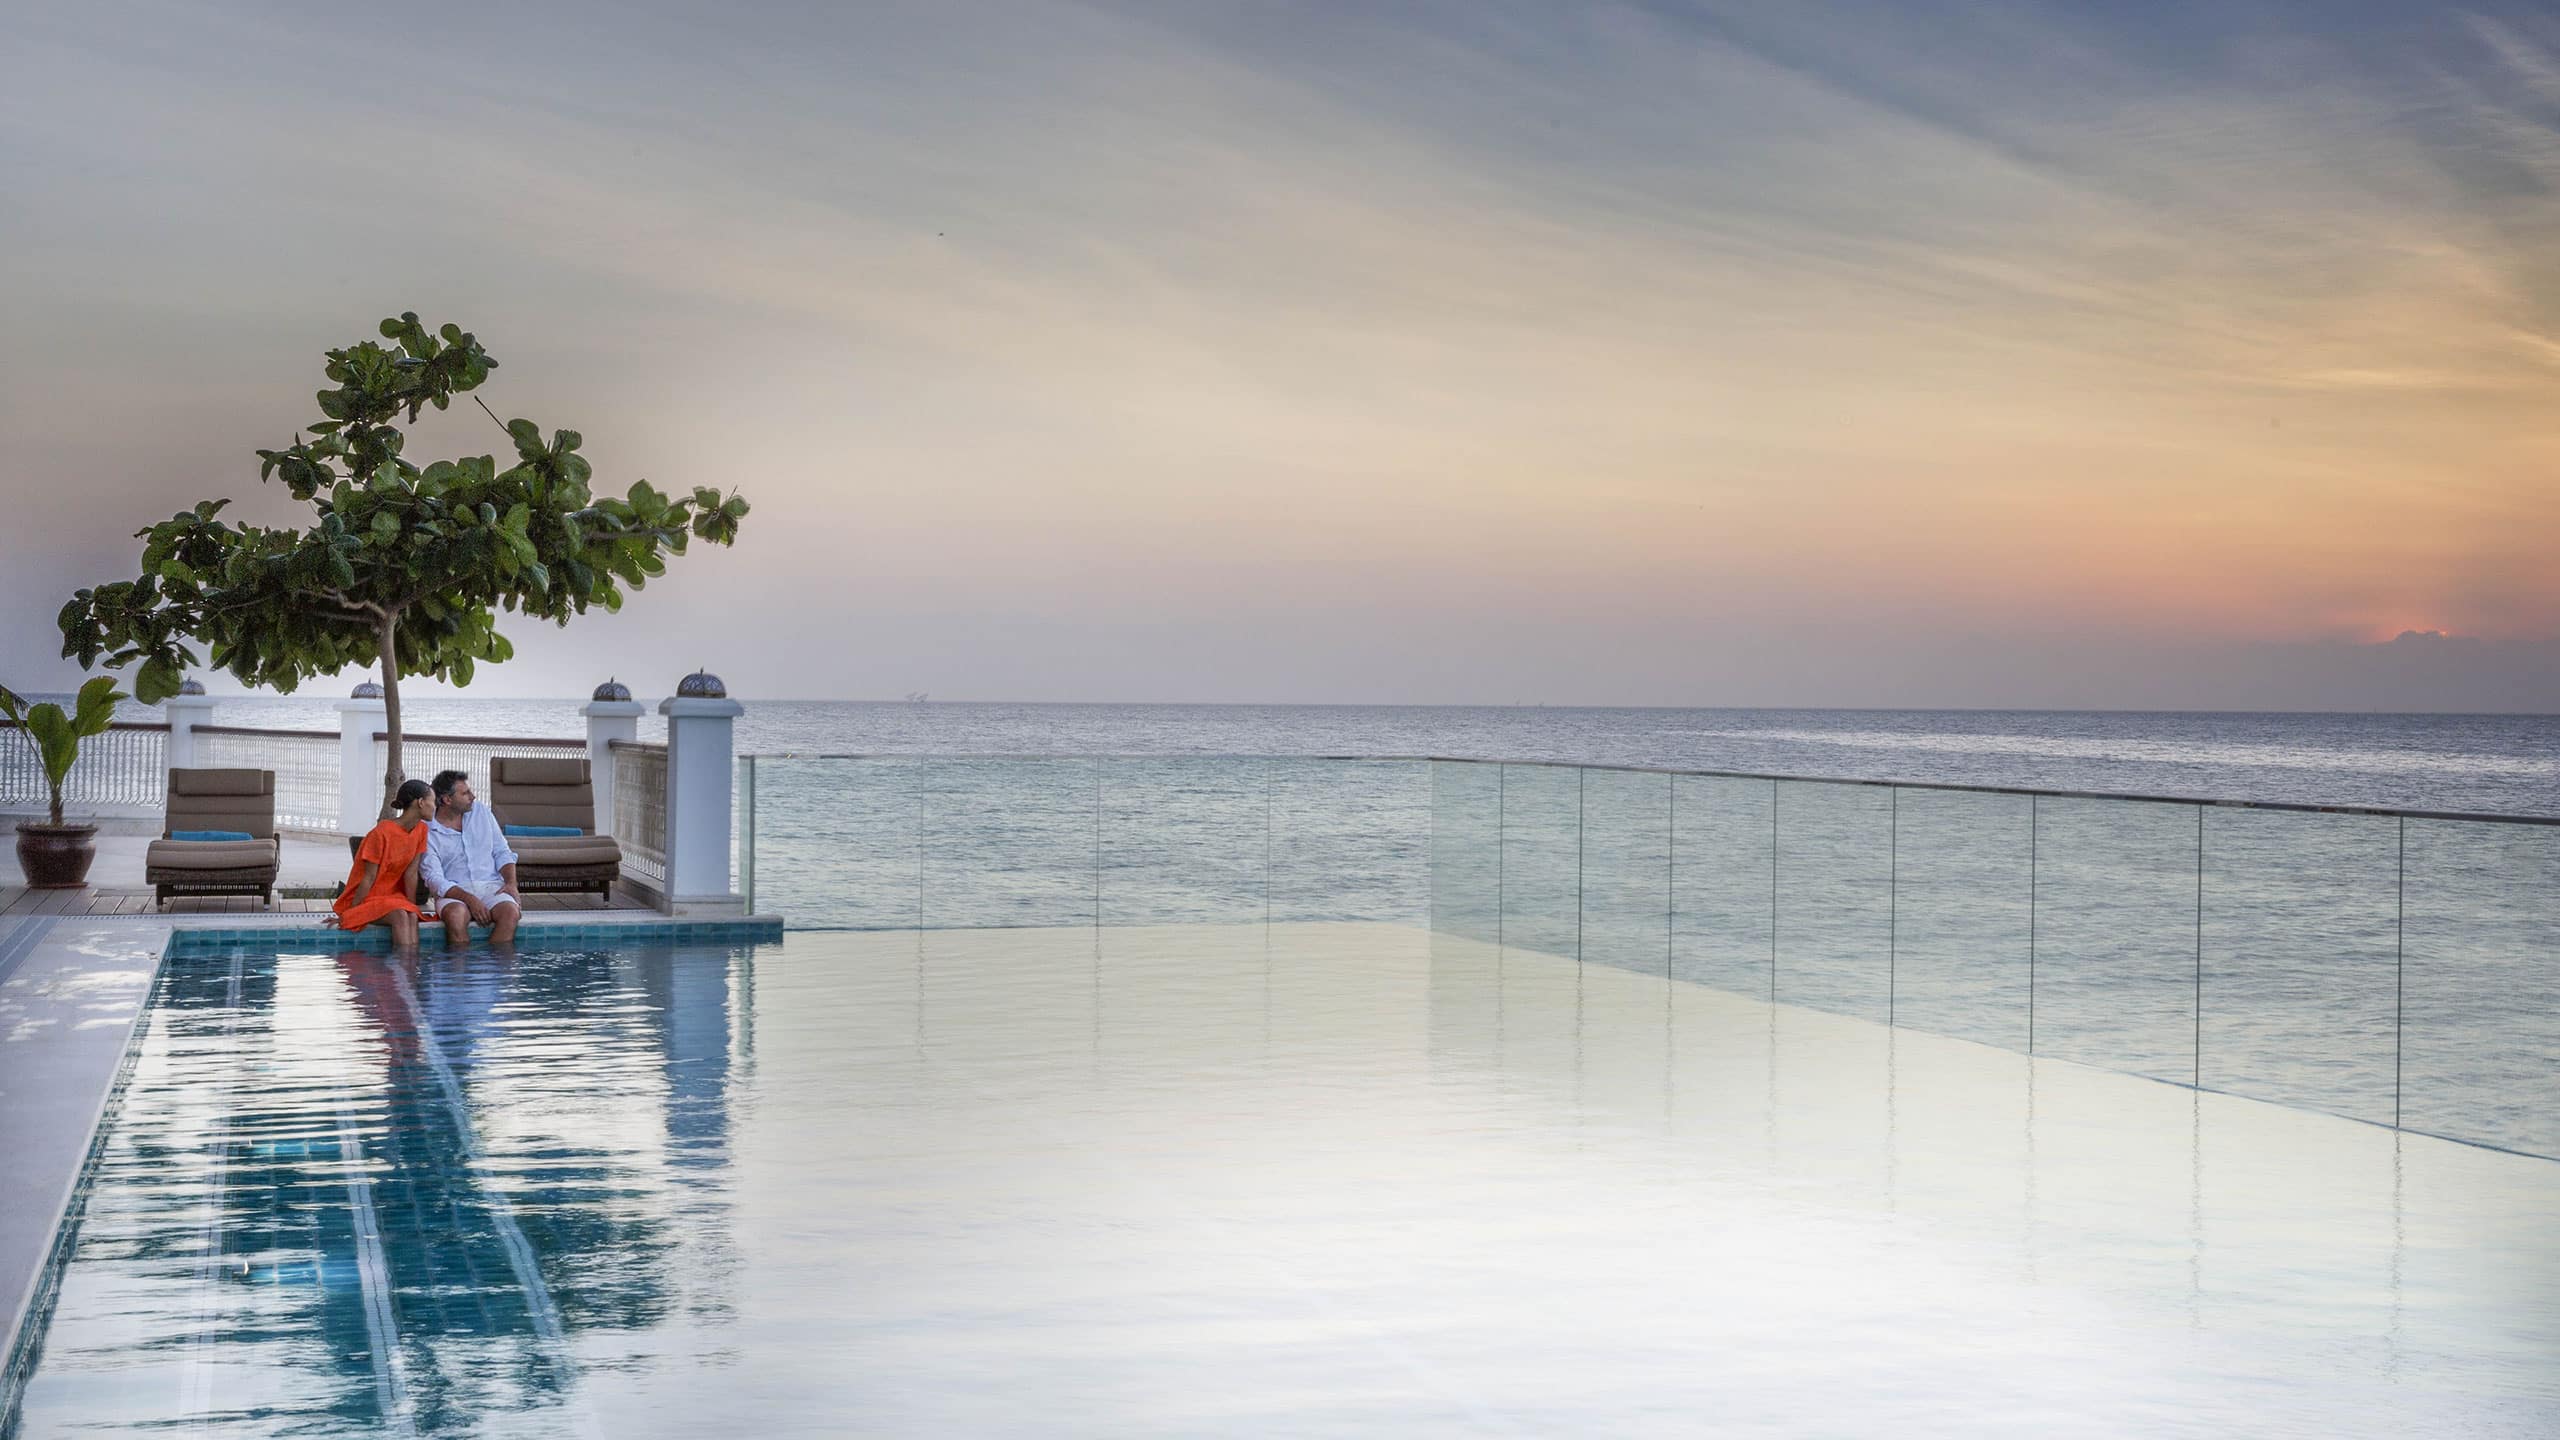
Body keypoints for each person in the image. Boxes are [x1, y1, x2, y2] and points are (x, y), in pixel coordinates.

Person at [423, 768, 522, 947]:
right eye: (466, 793)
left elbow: (502, 851)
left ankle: (492, 969)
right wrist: (469, 899)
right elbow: (434, 879)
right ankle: (462, 972)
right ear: (447, 799)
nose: (473, 796)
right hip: (454, 891)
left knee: (510, 913)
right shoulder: (428, 830)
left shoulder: (481, 812)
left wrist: (511, 884)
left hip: (490, 886)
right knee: (455, 916)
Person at [332, 778, 432, 946]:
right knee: (400, 915)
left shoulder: (421, 830)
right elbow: (368, 878)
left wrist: (411, 906)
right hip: (367, 897)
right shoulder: (381, 833)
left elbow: (411, 873)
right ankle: (404, 968)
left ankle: (410, 969)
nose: (435, 807)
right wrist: (352, 912)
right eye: (433, 802)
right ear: (421, 803)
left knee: (411, 914)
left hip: (393, 896)